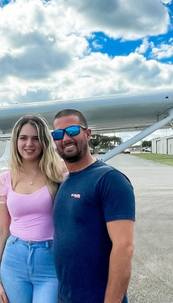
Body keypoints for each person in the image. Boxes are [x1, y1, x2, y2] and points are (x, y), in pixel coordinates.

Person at [51, 109, 135, 303]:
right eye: (58, 134)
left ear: (87, 134)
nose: (65, 138)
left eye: (72, 130)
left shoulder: (110, 180)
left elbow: (124, 247)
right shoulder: (65, 182)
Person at [0, 115, 66, 303]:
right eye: (23, 138)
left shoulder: (58, 174)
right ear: (16, 141)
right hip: (14, 259)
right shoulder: (4, 180)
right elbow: (1, 230)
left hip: (49, 261)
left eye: (35, 138)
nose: (29, 143)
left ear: (44, 142)